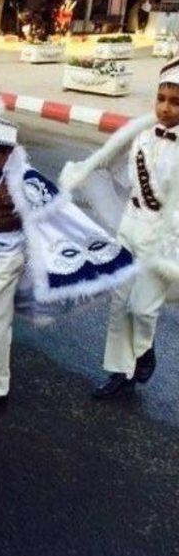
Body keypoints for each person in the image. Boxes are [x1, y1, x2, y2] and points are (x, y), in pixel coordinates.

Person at [0, 90, 136, 414]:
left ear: (7, 152)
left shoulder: (26, 182)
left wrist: (104, 251)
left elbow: (64, 217)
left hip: (7, 260)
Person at [59, 58, 179, 400]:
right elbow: (108, 165)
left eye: (176, 101)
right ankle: (119, 372)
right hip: (131, 224)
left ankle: (144, 349)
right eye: (162, 98)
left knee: (142, 309)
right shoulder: (139, 133)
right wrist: (85, 173)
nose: (166, 108)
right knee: (120, 302)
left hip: (164, 238)